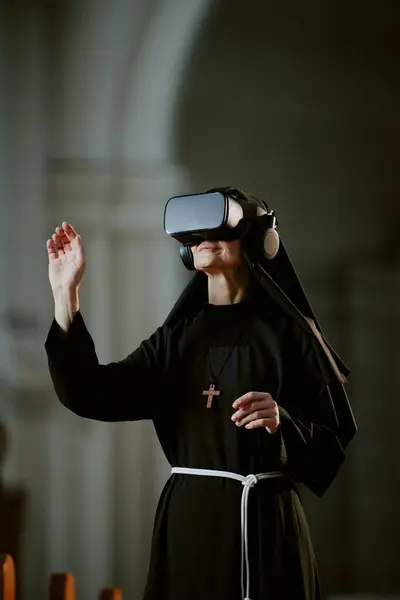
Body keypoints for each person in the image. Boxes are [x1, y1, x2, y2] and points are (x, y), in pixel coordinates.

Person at [44, 187, 356, 600]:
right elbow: (89, 393)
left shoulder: (290, 337)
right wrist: (66, 294)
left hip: (266, 528)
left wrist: (283, 423)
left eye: (219, 229)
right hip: (190, 527)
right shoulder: (175, 341)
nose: (204, 238)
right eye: (196, 234)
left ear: (257, 239)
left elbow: (331, 448)